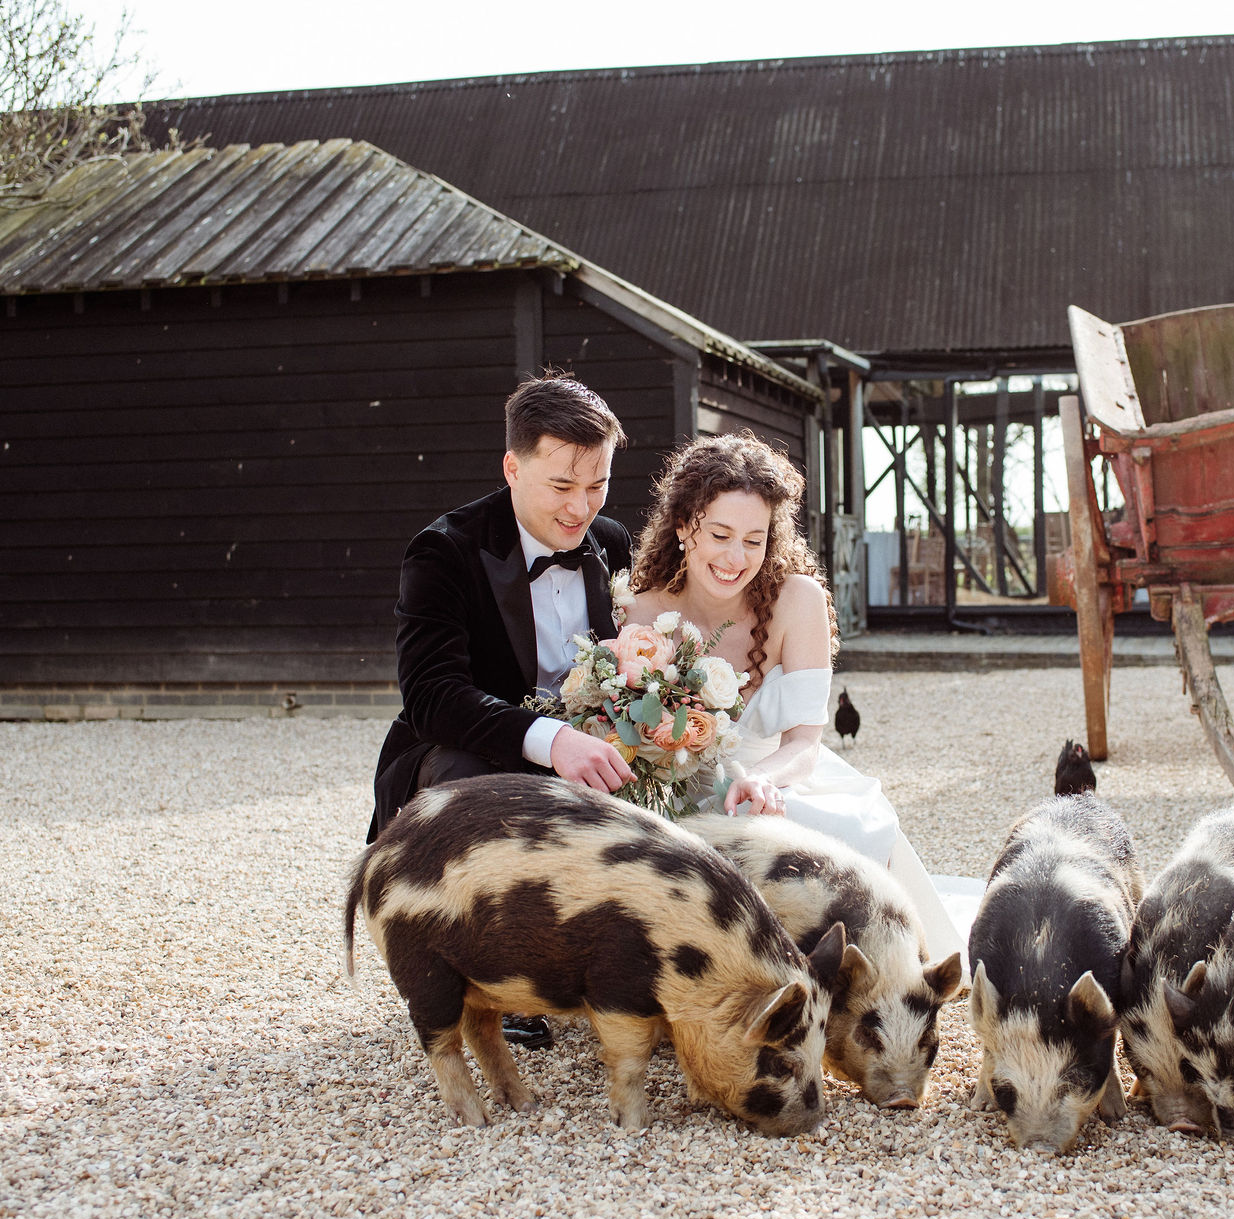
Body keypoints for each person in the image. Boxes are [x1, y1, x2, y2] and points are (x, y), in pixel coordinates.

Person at [626, 431, 981, 964]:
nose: (735, 556)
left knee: (838, 834)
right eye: (719, 534)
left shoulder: (798, 600)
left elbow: (805, 743)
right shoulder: (642, 612)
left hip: (779, 774)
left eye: (754, 539)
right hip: (678, 784)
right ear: (683, 528)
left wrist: (762, 779)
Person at [369, 373, 640, 845]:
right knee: (475, 787)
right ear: (513, 469)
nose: (581, 508)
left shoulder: (612, 541)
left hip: (592, 751)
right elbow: (433, 696)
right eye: (561, 486)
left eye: (598, 485)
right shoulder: (443, 550)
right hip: (471, 755)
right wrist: (552, 740)